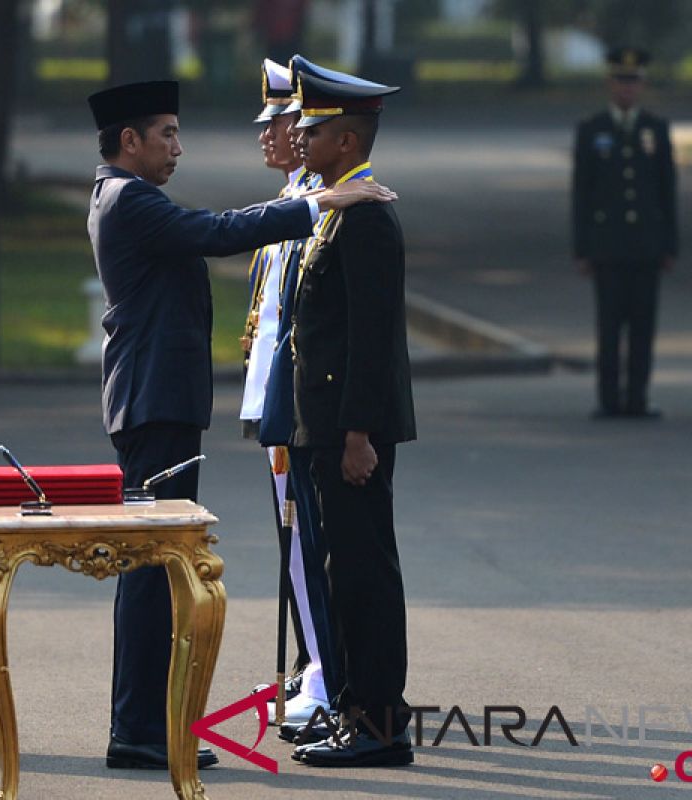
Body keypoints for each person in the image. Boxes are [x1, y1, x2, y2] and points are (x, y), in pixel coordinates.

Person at [86, 79, 394, 770]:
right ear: (128, 141)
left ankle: (148, 722)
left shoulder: (126, 197)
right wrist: (320, 200)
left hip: (156, 402)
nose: (177, 145)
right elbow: (218, 233)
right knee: (153, 569)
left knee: (161, 567)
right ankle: (137, 727)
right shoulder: (128, 199)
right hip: (153, 403)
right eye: (165, 133)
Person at [288, 67, 416, 768]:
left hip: (350, 429)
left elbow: (371, 337)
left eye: (311, 129)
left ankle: (380, 725)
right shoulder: (335, 207)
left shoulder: (365, 216)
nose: (299, 137)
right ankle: (351, 711)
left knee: (365, 572)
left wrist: (359, 433)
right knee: (345, 571)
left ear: (346, 138)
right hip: (330, 425)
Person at [240, 57, 338, 727]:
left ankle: (326, 674)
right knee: (294, 546)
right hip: (274, 403)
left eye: (276, 121)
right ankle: (314, 664)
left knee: (311, 546)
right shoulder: (292, 201)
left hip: (299, 405)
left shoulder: (311, 204)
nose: (267, 134)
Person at [572, 47, 678, 419]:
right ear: (610, 83)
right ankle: (608, 399)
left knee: (643, 327)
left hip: (647, 246)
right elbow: (581, 193)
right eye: (621, 80)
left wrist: (670, 245)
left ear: (642, 84)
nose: (627, 88)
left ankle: (638, 397)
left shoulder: (656, 128)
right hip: (608, 246)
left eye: (633, 81)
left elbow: (667, 191)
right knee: (610, 326)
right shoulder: (593, 128)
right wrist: (582, 248)